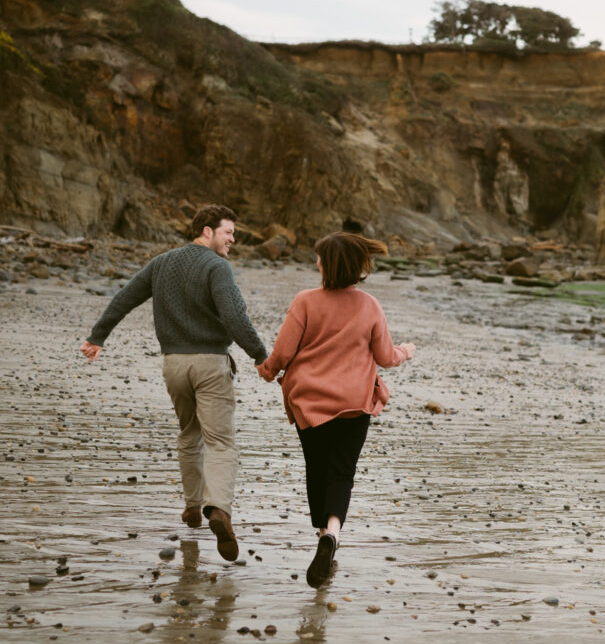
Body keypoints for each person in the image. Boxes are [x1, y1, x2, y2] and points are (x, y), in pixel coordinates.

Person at [80, 204, 267, 562]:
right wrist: (259, 355)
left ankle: (193, 506)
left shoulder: (161, 263)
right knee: (220, 441)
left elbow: (125, 298)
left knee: (189, 433)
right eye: (228, 232)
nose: (233, 239)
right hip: (210, 363)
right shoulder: (217, 266)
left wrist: (97, 337)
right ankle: (219, 510)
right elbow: (233, 315)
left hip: (173, 365)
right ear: (207, 231)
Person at [257, 232, 415, 588]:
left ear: (328, 265)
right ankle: (332, 533)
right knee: (342, 472)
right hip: (353, 405)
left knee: (317, 468)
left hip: (309, 402)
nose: (315, 263)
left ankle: (320, 540)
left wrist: (266, 371)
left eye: (318, 258)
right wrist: (405, 350)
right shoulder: (370, 306)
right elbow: (387, 358)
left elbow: (282, 353)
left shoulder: (306, 301)